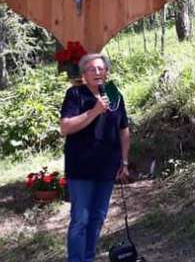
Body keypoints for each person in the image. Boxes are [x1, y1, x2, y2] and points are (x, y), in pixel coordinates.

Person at [59, 53, 131, 262]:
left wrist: (124, 161)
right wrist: (94, 111)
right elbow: (65, 127)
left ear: (106, 72)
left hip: (107, 167)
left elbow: (124, 130)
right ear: (84, 74)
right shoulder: (75, 94)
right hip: (81, 167)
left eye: (101, 68)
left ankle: (88, 258)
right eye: (92, 69)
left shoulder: (114, 94)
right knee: (80, 220)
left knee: (98, 218)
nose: (97, 72)